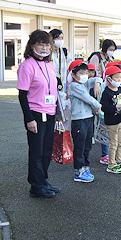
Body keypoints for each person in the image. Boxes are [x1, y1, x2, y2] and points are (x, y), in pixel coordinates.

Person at [17, 29, 59, 198]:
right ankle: (36, 186)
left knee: (47, 149)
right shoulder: (27, 65)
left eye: (47, 44)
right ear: (32, 45)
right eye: (40, 44)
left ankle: (43, 180)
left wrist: (56, 112)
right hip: (35, 113)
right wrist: (29, 119)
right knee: (36, 151)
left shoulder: (49, 64)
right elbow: (22, 94)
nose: (44, 48)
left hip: (50, 112)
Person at [68, 60, 102, 182]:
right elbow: (87, 98)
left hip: (88, 118)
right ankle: (78, 171)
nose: (85, 75)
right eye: (82, 73)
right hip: (79, 120)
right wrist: (98, 106)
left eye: (86, 73)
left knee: (87, 145)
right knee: (80, 146)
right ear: (73, 74)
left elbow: (97, 79)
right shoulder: (74, 86)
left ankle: (85, 167)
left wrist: (97, 83)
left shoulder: (85, 83)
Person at [100, 66, 121, 173]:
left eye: (120, 77)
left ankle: (120, 161)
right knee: (113, 143)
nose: (119, 79)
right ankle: (111, 165)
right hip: (111, 122)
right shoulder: (106, 92)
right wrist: (117, 107)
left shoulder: (120, 89)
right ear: (109, 79)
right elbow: (104, 107)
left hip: (120, 120)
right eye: (117, 77)